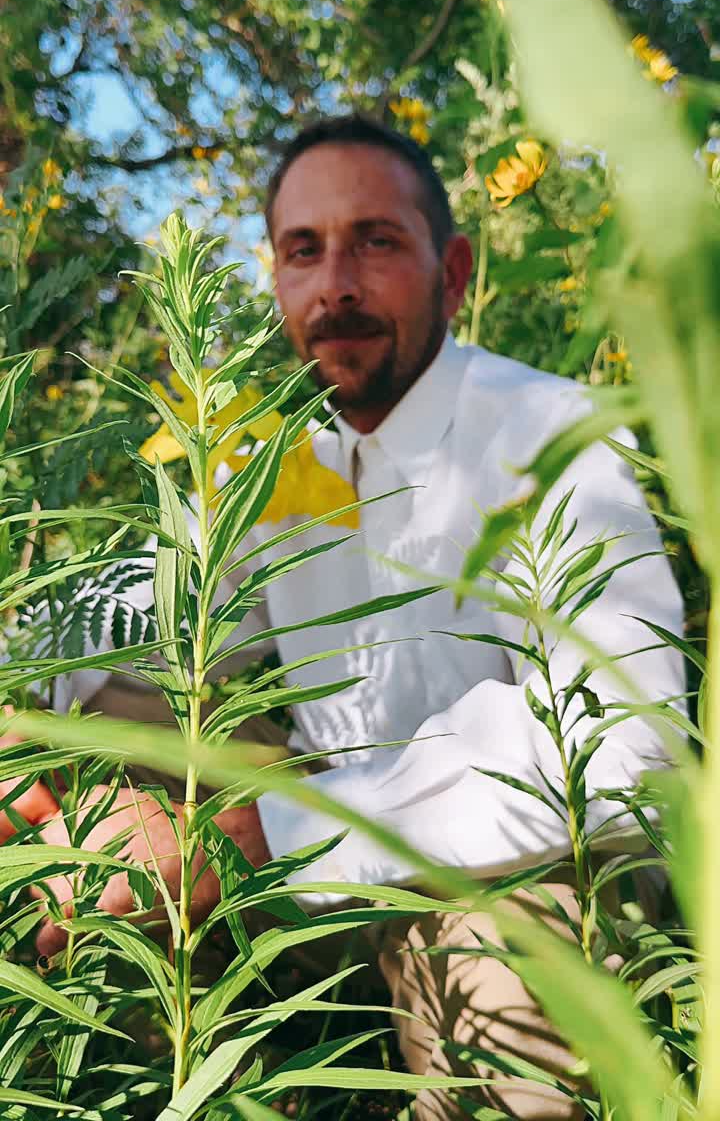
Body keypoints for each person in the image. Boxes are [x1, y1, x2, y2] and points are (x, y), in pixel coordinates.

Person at [3, 115, 684, 1119]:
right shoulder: (281, 456)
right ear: (276, 282)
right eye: (303, 250)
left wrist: (258, 833)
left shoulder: (553, 433)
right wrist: (27, 725)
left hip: (505, 871)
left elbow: (628, 744)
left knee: (513, 1040)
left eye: (376, 240)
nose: (337, 286)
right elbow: (133, 618)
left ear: (453, 273)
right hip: (304, 842)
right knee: (77, 717)